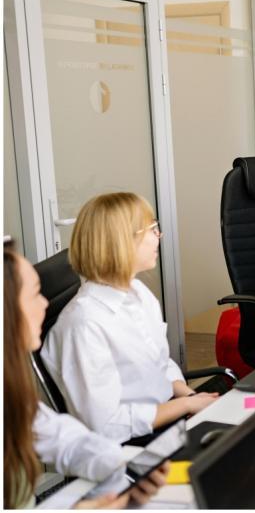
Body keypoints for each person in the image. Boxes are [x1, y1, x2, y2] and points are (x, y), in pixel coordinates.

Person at [42, 193, 218, 443]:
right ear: (123, 242)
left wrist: (193, 398)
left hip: (168, 417)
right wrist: (186, 407)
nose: (160, 235)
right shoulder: (84, 324)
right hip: (132, 443)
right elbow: (107, 426)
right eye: (153, 228)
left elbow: (160, 364)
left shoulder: (137, 292)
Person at [4, 240, 168, 509]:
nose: (45, 304)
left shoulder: (10, 391)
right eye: (34, 294)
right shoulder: (83, 320)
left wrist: (123, 464)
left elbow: (65, 440)